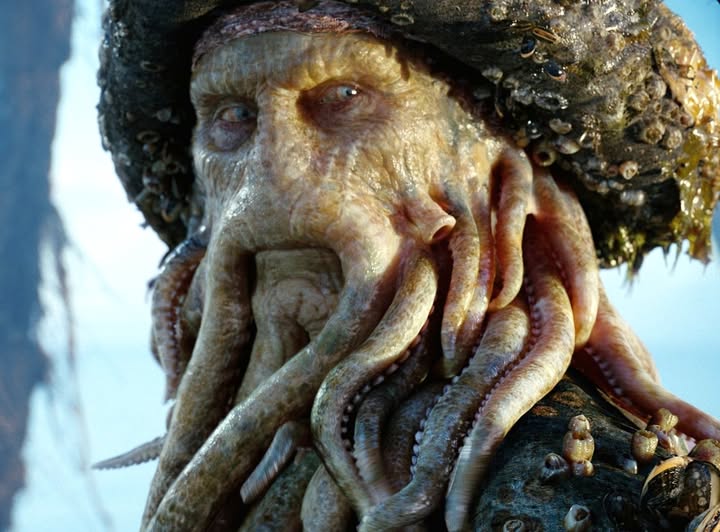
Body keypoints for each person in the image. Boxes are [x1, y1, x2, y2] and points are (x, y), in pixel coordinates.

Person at [97, 2, 720, 530]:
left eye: (345, 98)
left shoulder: (610, 494)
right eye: (234, 117)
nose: (273, 175)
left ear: (500, 172)